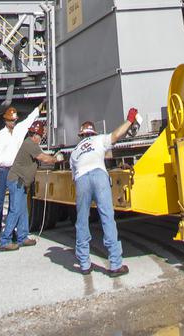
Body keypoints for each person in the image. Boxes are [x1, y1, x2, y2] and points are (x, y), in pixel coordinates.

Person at [69, 112, 137, 276]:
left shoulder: (74, 152)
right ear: (93, 133)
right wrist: (130, 120)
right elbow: (116, 135)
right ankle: (115, 264)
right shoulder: (99, 140)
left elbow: (74, 177)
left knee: (82, 221)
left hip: (81, 179)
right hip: (99, 175)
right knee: (107, 217)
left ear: (81, 135)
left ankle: (84, 264)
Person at [0, 119, 59, 252]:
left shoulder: (31, 144)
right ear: (36, 135)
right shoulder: (30, 144)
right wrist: (56, 159)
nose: (40, 139)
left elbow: (41, 155)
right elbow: (43, 158)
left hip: (21, 181)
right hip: (17, 180)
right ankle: (5, 240)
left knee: (23, 210)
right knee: (15, 210)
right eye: (40, 136)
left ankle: (22, 237)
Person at [0, 102, 42, 245]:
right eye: (11, 120)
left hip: (15, 170)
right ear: (6, 120)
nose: (13, 122)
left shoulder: (19, 130)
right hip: (3, 169)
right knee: (0, 202)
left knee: (15, 202)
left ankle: (13, 232)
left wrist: (39, 108)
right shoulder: (0, 135)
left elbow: (29, 120)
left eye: (14, 120)